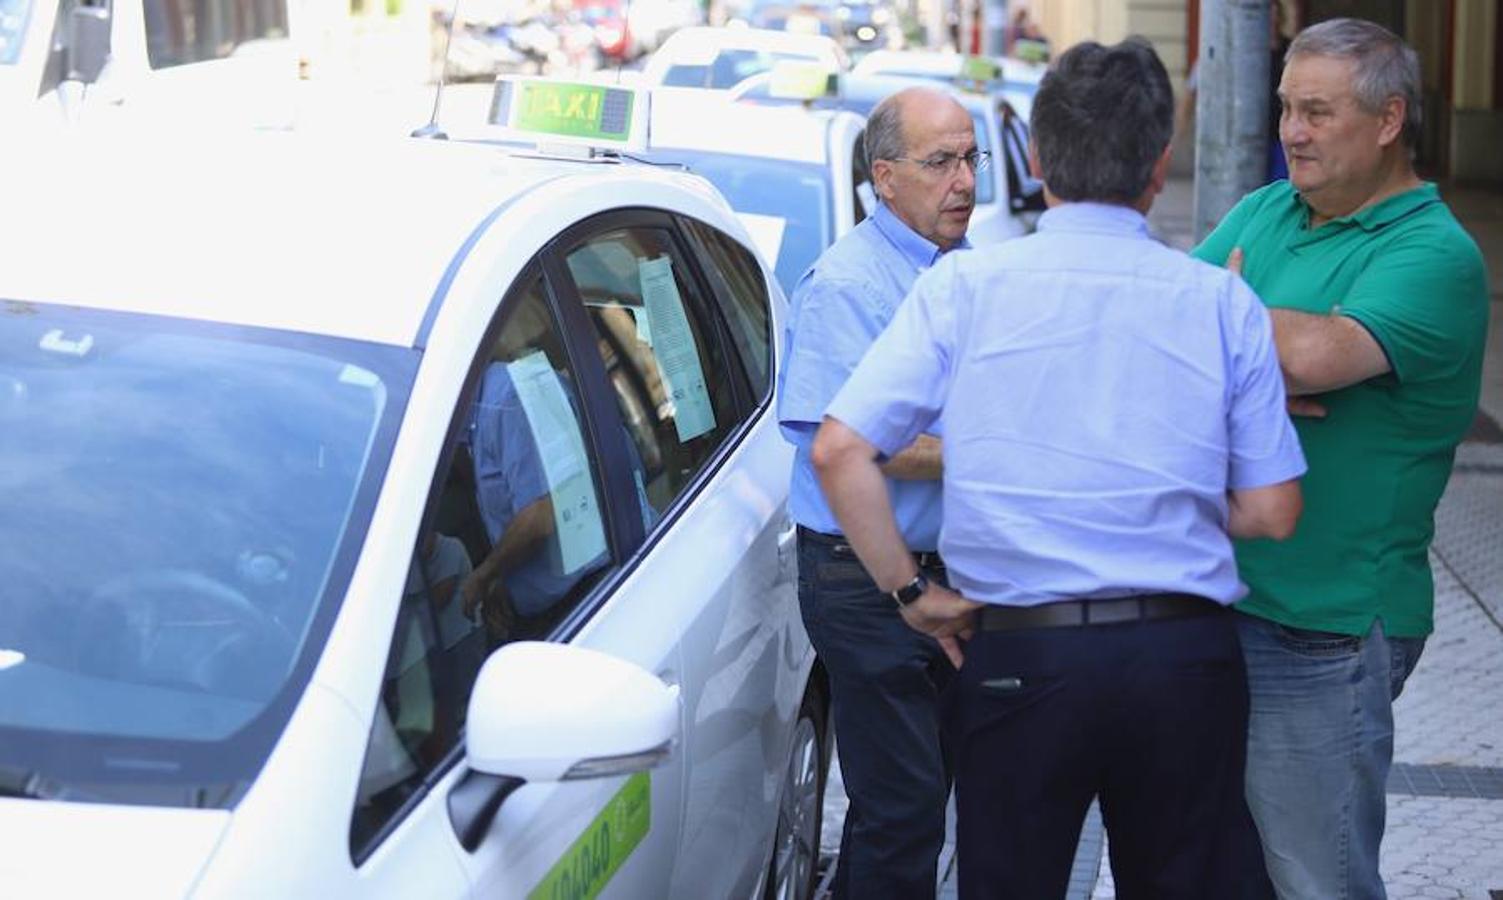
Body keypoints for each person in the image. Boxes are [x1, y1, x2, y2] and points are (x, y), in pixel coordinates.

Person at [812, 39, 1307, 898]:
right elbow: (1273, 513)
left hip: (1020, 659)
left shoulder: (963, 289)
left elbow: (837, 449)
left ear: (1036, 161)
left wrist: (911, 597)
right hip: (1179, 658)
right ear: (1159, 166)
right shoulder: (1220, 302)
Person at [1192, 17, 1490, 898]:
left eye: (1315, 112)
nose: (1290, 131)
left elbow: (1316, 358)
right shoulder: (1267, 206)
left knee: (1312, 877)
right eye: (1286, 108)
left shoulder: (1433, 253)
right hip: (1217, 594)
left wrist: (1226, 335)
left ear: (1389, 119)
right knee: (1219, 867)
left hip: (1325, 627)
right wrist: (1251, 370)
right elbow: (1156, 329)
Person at [776, 85, 978, 898]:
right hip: (863, 576)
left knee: (901, 802)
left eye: (971, 157)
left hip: (940, 565)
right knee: (905, 809)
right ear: (884, 178)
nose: (963, 180)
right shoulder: (848, 285)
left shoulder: (959, 269)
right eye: (941, 162)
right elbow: (862, 448)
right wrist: (1001, 445)